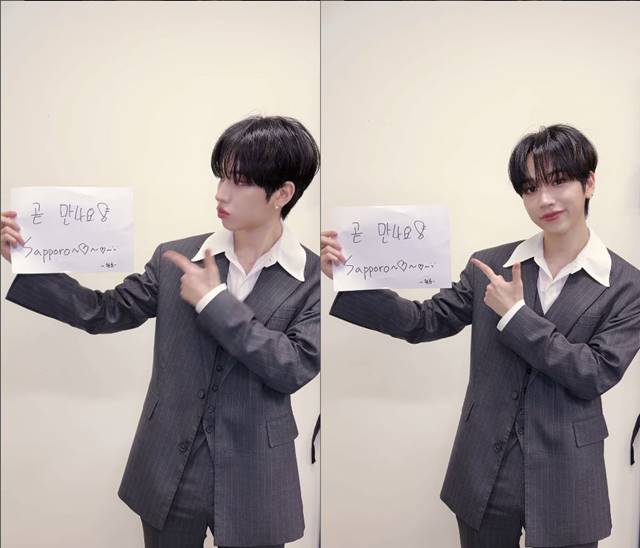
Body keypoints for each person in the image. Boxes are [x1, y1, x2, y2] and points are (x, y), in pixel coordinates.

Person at [2, 115, 321, 548]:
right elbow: (104, 312)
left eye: (240, 181)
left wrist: (214, 302)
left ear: (282, 193)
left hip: (256, 471)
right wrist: (29, 261)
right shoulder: (177, 257)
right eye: (221, 176)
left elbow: (292, 366)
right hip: (171, 466)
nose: (221, 193)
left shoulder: (313, 278)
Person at [321, 124, 640, 548]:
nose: (544, 199)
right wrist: (351, 278)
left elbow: (594, 373)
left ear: (590, 183)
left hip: (568, 471)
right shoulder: (490, 265)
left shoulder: (627, 285)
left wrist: (516, 317)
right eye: (530, 187)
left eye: (559, 181)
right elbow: (422, 321)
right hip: (486, 470)